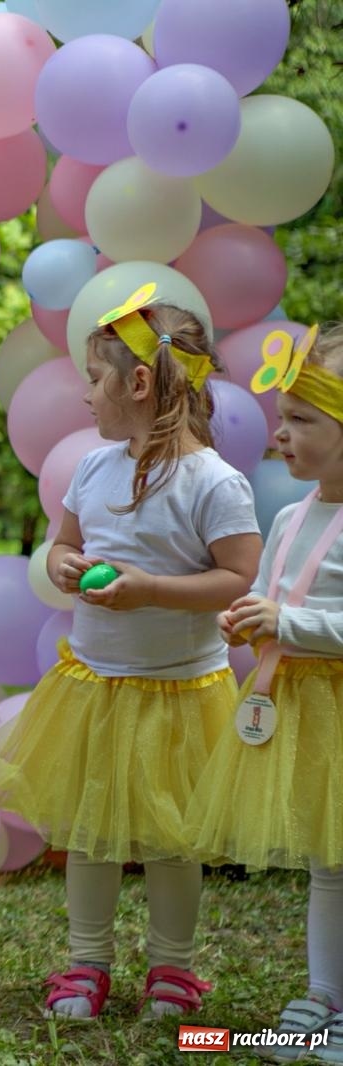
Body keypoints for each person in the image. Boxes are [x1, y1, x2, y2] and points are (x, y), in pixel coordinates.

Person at [0, 285, 262, 1018]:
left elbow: (237, 576)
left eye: (94, 377)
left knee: (174, 841)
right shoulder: (94, 467)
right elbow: (65, 545)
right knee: (91, 833)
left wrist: (151, 589)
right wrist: (63, 566)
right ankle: (87, 964)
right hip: (97, 687)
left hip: (180, 694)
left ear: (138, 383)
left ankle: (172, 969)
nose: (85, 394)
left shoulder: (215, 482)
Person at [189, 323, 343, 1053]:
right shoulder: (289, 515)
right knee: (328, 862)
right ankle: (324, 992)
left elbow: (304, 615)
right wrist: (252, 619)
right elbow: (279, 598)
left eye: (301, 420)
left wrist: (291, 621)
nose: (281, 435)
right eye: (284, 418)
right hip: (302, 708)